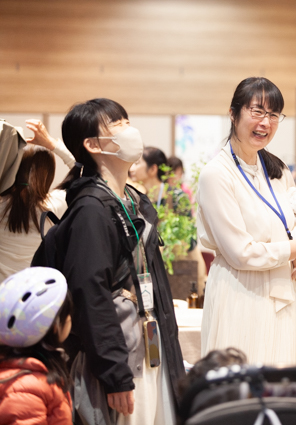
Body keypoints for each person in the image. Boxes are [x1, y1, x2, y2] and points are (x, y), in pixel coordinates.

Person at [34, 98, 184, 424]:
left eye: (127, 121)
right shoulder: (91, 209)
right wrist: (114, 373)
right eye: (117, 124)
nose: (129, 130)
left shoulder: (132, 199)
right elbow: (90, 294)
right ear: (92, 145)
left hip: (146, 345)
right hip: (122, 358)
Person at [197, 77, 296, 365]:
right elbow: (241, 253)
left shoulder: (278, 170)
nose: (265, 122)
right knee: (244, 382)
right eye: (257, 111)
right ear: (233, 114)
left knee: (283, 380)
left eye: (273, 115)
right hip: (239, 293)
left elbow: (291, 229)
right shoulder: (217, 174)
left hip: (283, 291)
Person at [0, 120, 75, 281]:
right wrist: (53, 145)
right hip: (34, 290)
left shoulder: (1, 203)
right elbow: (85, 174)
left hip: (3, 291)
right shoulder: (56, 204)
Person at [0, 267, 74, 424]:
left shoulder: (27, 373)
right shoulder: (25, 390)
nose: (69, 318)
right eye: (67, 313)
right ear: (54, 326)